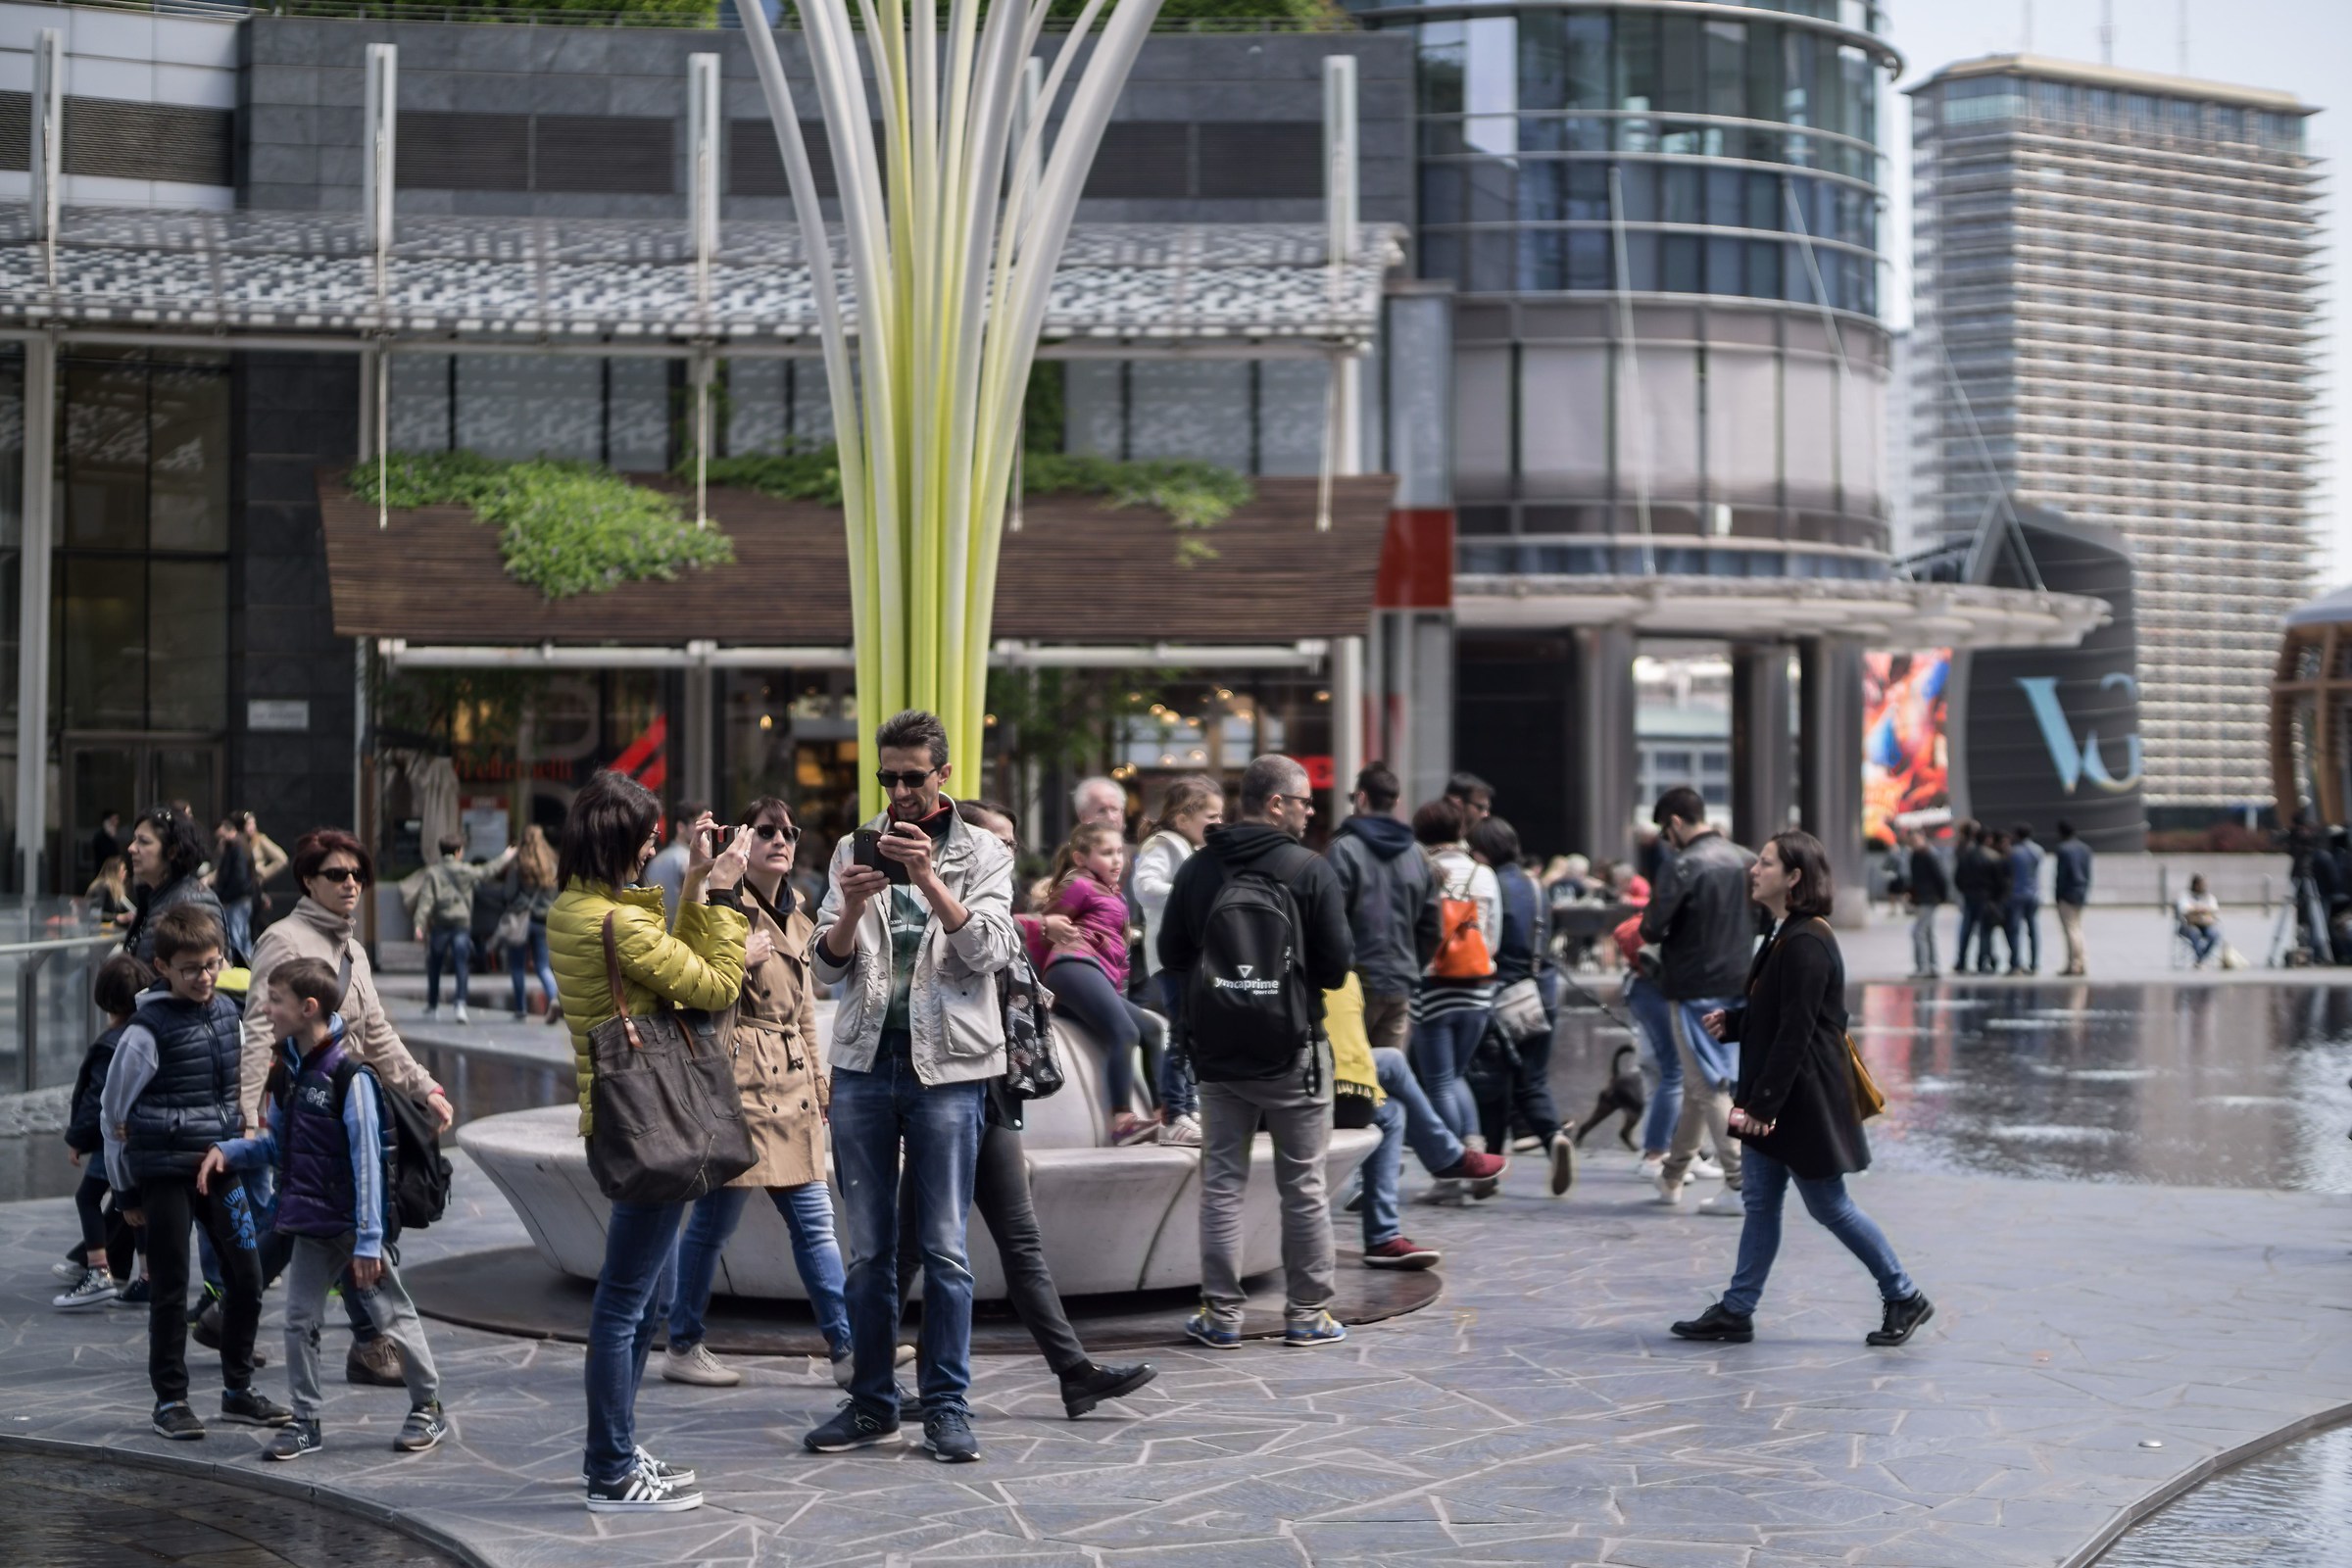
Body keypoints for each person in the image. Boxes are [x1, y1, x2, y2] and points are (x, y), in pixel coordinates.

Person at [804, 710, 1017, 1465]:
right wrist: (852, 907)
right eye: (886, 777)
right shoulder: (849, 846)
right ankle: (870, 1404)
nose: (896, 792)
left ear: (943, 777)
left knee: (946, 1250)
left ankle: (947, 1407)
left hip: (950, 1072)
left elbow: (991, 949)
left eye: (911, 778)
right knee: (866, 1254)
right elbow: (824, 969)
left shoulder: (983, 851)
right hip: (864, 1064)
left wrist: (927, 878)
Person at [903, 800, 1160, 1420]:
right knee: (915, 1249)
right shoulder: (935, 911)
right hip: (948, 1098)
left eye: (1015, 842)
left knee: (1012, 1244)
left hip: (991, 1097)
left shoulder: (994, 912)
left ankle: (1074, 1373)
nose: (1011, 853)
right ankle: (866, 1374)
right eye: (1000, 841)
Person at [549, 771, 749, 1513]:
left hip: (629, 1116)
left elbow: (675, 975)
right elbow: (717, 985)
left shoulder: (577, 908)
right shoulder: (618, 924)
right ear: (625, 843)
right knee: (626, 1303)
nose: (655, 847)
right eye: (650, 837)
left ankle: (619, 1448)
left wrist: (696, 879)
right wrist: (726, 895)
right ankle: (608, 1468)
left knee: (643, 1298)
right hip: (650, 1122)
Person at [1669, 830, 1933, 1349]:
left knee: (1829, 1205)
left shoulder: (1807, 940)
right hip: (1780, 1096)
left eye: (1765, 863)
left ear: (1793, 877)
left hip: (1799, 1100)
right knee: (1761, 1202)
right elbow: (1784, 1013)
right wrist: (1740, 1021)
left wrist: (1761, 1109)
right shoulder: (1785, 932)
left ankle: (1904, 1293)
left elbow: (1798, 1030)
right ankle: (1737, 1309)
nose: (1754, 870)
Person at [200, 957, 448, 1460]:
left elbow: (368, 1164)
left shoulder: (349, 1075)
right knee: (298, 1321)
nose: (266, 1008)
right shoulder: (289, 1066)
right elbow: (279, 1148)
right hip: (311, 1223)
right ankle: (306, 1420)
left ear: (308, 1007)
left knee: (391, 1316)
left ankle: (428, 1405)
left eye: (276, 1000)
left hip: (354, 1228)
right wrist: (232, 1150)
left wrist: (368, 1239)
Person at [240, 827, 454, 1391]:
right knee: (336, 1223)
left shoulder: (352, 949)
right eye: (337, 874)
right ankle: (368, 1342)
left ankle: (232, 1310)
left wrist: (424, 1085)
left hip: (353, 1103)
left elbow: (377, 1033)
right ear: (308, 880)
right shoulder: (282, 941)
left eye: (358, 874)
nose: (351, 883)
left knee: (312, 1225)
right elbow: (258, 1033)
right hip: (303, 1111)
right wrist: (249, 1114)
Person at [661, 796, 860, 1390]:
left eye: (790, 831)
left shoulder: (802, 921)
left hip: (791, 1083)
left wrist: (821, 1081)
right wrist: (710, 891)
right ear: (742, 842)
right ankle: (683, 1341)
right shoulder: (722, 906)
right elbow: (689, 978)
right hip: (738, 1080)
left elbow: (803, 1013)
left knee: (812, 1221)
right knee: (713, 1225)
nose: (782, 840)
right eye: (768, 830)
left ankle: (847, 1347)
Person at [1158, 754, 1354, 1350]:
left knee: (1221, 1183)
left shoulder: (1198, 868)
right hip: (1293, 1049)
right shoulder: (1308, 870)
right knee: (1304, 1184)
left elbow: (1171, 953)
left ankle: (1221, 1316)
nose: (1311, 811)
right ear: (1276, 804)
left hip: (1217, 1053)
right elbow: (1338, 967)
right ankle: (1308, 1314)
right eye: (1304, 801)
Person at [102, 905, 292, 1441]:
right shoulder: (145, 1032)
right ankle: (171, 1399)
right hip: (163, 1174)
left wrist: (240, 1143)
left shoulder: (227, 1016)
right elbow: (113, 1115)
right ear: (162, 966)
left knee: (248, 1276)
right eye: (190, 968)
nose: (204, 977)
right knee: (169, 1286)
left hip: (220, 1165)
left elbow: (238, 1092)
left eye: (212, 964)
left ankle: (237, 1390)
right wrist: (124, 1191)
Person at [1329, 972, 1504, 1270]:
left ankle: (1382, 1238)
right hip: (1294, 1077)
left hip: (1318, 1064)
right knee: (1401, 1066)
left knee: (1391, 1111)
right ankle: (1447, 1157)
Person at [1640, 786, 1755, 1216]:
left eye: (1664, 831)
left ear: (1673, 823)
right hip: (1739, 982)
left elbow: (1651, 928)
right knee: (1699, 1083)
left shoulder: (1683, 865)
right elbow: (1762, 917)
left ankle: (1740, 1183)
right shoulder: (1745, 858)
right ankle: (1673, 1175)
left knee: (1709, 1087)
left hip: (1691, 986)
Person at [1024, 822, 1161, 1146]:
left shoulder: (1110, 893)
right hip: (1072, 967)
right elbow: (1049, 929)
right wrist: (1045, 987)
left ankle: (1164, 1114)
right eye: (1107, 853)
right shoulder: (1079, 883)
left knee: (1151, 1030)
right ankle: (1123, 1119)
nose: (1117, 860)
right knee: (1125, 1032)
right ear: (1081, 858)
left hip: (1091, 974)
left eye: (1120, 853)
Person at [1472, 815, 1576, 1197]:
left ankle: (1489, 1169)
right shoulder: (1536, 884)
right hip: (1542, 993)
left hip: (1505, 996)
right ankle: (1554, 1138)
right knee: (1533, 1080)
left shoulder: (1490, 885)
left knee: (1492, 1084)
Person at [55, 954, 152, 1309]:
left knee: (87, 1198)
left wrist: (77, 1140)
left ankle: (98, 1270)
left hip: (113, 1140)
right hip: (142, 1138)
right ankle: (147, 1276)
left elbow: (98, 1099)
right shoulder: (148, 1033)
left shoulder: (111, 1043)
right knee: (136, 1207)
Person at [1131, 775, 1221, 1146]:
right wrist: (1191, 892)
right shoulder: (1164, 845)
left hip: (1189, 956)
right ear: (1184, 817)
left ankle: (1187, 1104)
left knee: (1192, 1031)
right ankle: (1174, 1112)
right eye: (1211, 816)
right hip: (1173, 957)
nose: (1218, 825)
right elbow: (1144, 887)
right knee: (1182, 1032)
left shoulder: (1191, 849)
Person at [1328, 762, 1440, 1060]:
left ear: (1361, 798)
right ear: (1396, 802)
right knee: (1388, 1078)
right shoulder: (1418, 854)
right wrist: (1411, 964)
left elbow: (1330, 921)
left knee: (1350, 1077)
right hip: (1401, 983)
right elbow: (1432, 926)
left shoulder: (1343, 849)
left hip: (1355, 984)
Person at [1408, 796, 1499, 1146]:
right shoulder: (1483, 874)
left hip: (1432, 986)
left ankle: (1456, 1168)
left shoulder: (1419, 870)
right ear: (1460, 830)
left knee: (1439, 1082)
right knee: (1456, 1074)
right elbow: (1494, 938)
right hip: (1478, 986)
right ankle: (1474, 1147)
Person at [407, 835, 514, 1024]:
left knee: (435, 965)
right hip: (461, 926)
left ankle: (433, 1006)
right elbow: (488, 871)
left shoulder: (433, 872)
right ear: (458, 852)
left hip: (440, 925)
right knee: (461, 965)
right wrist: (506, 856)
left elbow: (426, 901)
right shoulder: (465, 870)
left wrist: (419, 924)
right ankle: (460, 1005)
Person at [1615, 914, 1685, 1179]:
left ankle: (1671, 1151)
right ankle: (1657, 1152)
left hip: (1646, 991)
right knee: (1671, 1075)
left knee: (1662, 1077)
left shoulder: (1655, 911)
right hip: (1655, 991)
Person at [120, 806, 229, 966]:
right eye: (134, 839)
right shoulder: (155, 896)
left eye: (143, 842)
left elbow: (204, 977)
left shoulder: (193, 901)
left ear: (172, 852)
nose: (132, 848)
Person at [504, 825, 562, 1022]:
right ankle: (554, 999)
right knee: (543, 966)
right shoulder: (551, 865)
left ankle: (520, 1008)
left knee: (517, 966)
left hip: (521, 920)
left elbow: (508, 893)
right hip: (544, 921)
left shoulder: (519, 865)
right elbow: (557, 894)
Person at [643, 803, 704, 924]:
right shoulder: (688, 860)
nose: (704, 831)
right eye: (699, 824)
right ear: (681, 827)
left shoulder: (658, 858)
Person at [209, 816, 257, 961]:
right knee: (243, 937)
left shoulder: (236, 847)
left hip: (236, 899)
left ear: (231, 831)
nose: (221, 841)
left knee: (236, 938)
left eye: (222, 837)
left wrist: (226, 897)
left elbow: (238, 877)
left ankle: (242, 967)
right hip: (241, 898)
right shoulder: (239, 845)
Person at [1904, 828, 1950, 980]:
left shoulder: (1929, 855)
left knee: (1919, 932)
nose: (1914, 843)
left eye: (1916, 840)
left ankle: (1923, 967)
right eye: (1912, 841)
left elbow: (1941, 877)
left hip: (1929, 898)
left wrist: (1942, 896)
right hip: (1924, 898)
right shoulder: (1917, 855)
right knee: (1927, 932)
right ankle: (1932, 966)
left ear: (1922, 838)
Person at [2054, 820, 2093, 976]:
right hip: (2080, 892)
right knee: (2077, 928)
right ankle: (2080, 962)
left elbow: (2061, 875)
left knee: (2071, 930)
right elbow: (2088, 873)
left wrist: (2058, 894)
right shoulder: (2085, 849)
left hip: (2067, 893)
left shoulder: (2063, 849)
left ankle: (2074, 964)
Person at [2005, 824, 2043, 976]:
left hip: (2017, 895)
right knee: (2033, 930)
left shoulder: (2014, 852)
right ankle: (2034, 964)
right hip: (2033, 894)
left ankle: (2016, 964)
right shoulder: (2038, 851)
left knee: (2015, 930)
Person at [2178, 874, 2224, 966]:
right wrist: (2196, 909)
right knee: (2195, 933)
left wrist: (2204, 909)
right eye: (2200, 884)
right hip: (2189, 925)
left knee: (2214, 934)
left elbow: (2214, 909)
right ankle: (2200, 959)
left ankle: (2200, 959)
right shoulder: (2186, 896)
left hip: (2205, 925)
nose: (2202, 886)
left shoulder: (2209, 897)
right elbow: (2183, 909)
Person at [86, 855, 136, 923]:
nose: (125, 873)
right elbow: (93, 913)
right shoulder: (101, 886)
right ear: (115, 872)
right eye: (123, 870)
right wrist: (117, 917)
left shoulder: (115, 888)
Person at [91, 808, 124, 874]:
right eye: (114, 819)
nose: (117, 822)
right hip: (103, 871)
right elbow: (107, 853)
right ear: (107, 821)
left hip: (115, 871)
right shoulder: (99, 837)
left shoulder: (117, 834)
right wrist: (111, 838)